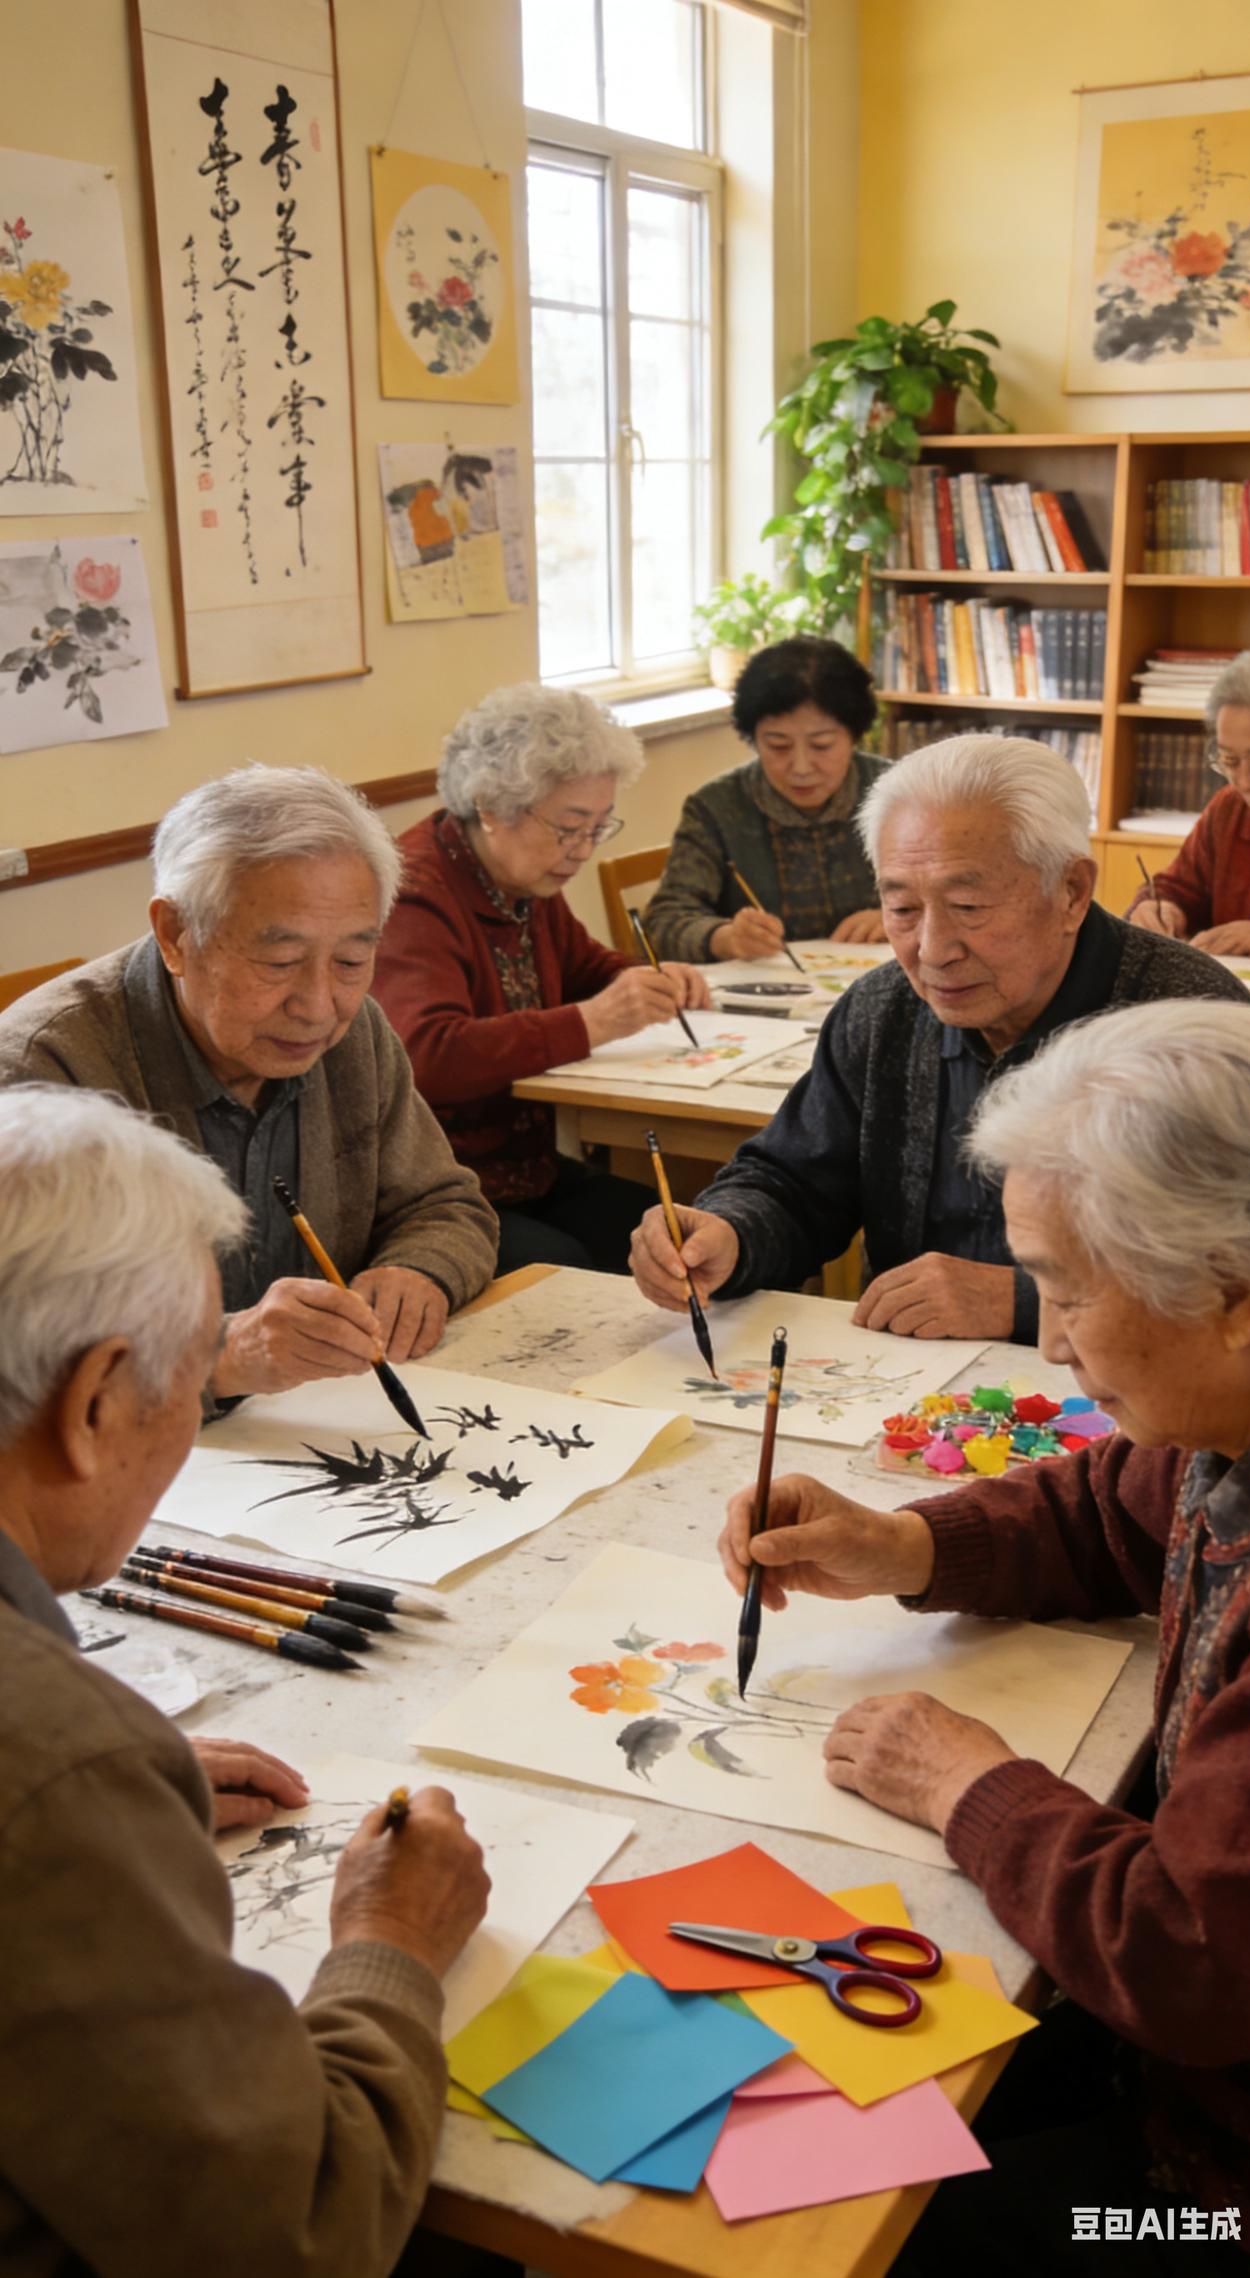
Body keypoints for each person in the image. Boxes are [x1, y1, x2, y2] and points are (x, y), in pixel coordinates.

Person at [718, 1002, 1250, 2275]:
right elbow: (1105, 1510)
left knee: (858, 2233)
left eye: (1071, 1291)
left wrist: (965, 1783)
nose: (1048, 1339)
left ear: (1232, 1294)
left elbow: (1187, 1959)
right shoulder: (1234, 1416)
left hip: (1229, 2200)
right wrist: (902, 1545)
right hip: (1179, 2076)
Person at [0, 1084, 490, 2277]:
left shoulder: (70, 1770)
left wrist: (105, 1803)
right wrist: (389, 1941)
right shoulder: (56, 1764)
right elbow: (299, 2231)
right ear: (95, 1400)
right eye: (192, 1374)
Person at [630, 734, 1250, 1343]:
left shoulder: (1190, 1023)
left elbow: (1241, 1268)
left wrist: (1021, 1299)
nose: (931, 950)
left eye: (969, 908)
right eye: (901, 910)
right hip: (908, 1390)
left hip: (1130, 1406)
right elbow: (794, 1183)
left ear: (1071, 891)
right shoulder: (884, 1011)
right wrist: (728, 1232)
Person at [0, 766, 498, 1399]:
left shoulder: (353, 1036)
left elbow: (443, 1205)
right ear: (176, 935)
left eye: (351, 960)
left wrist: (419, 1269)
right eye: (279, 962)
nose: (319, 1006)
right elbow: (24, 1348)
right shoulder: (46, 1073)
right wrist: (226, 1354)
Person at [373, 685, 710, 1275]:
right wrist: (594, 1022)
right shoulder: (416, 894)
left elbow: (583, 968)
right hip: (435, 1193)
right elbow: (428, 1054)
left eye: (599, 828)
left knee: (696, 1235)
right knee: (577, 1269)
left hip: (529, 1171)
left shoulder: (522, 878)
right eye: (569, 827)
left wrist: (651, 978)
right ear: (488, 805)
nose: (581, 850)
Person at [643, 636, 889, 963]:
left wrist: (900, 917)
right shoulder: (717, 808)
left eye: (822, 745)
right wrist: (724, 938)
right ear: (753, 738)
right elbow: (664, 921)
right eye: (778, 746)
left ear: (854, 736)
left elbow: (963, 898)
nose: (801, 768)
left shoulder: (897, 794)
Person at [1127, 644, 1250, 958]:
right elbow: (1179, 887)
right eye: (1229, 760)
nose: (1247, 783)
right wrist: (1161, 908)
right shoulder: (1230, 808)